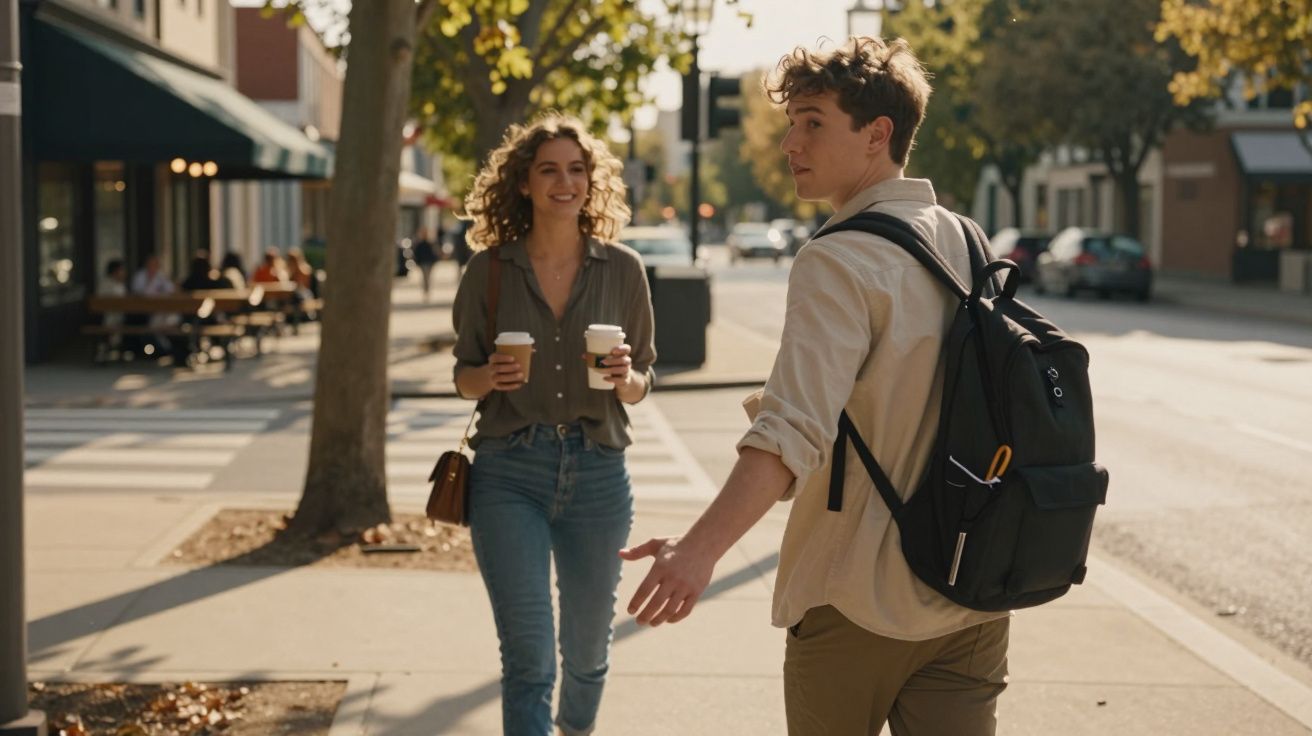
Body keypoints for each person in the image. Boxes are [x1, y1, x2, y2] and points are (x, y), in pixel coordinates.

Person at [621, 37, 1011, 735]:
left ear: (878, 134)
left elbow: (791, 432)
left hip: (859, 598)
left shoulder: (838, 259)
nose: (790, 143)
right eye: (791, 124)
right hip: (973, 594)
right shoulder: (966, 240)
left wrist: (697, 551)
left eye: (813, 122)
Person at [451, 113, 656, 736]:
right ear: (524, 183)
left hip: (597, 474)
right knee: (530, 658)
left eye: (576, 169)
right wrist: (490, 377)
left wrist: (625, 378)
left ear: (591, 182)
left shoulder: (623, 269)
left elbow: (645, 379)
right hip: (509, 471)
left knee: (588, 655)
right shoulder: (490, 270)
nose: (564, 182)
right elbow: (463, 374)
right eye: (549, 170)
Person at [410, 228, 439, 302]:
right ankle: (426, 291)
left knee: (427, 278)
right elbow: (416, 254)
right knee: (425, 278)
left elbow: (434, 253)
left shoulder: (429, 243)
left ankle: (426, 291)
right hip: (423, 263)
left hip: (428, 263)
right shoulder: (419, 244)